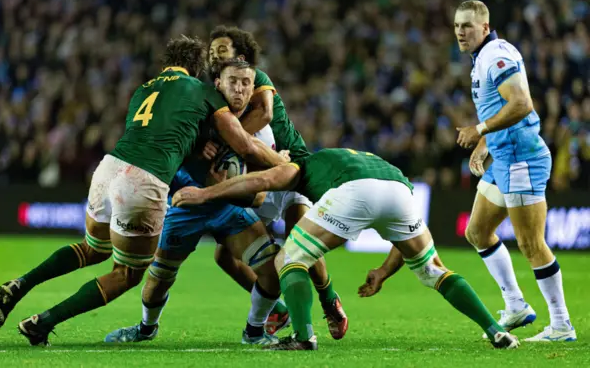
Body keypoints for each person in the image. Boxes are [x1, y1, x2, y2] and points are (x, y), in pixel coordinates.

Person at [0, 37, 287, 346]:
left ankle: (23, 283)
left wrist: (197, 145)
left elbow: (165, 133)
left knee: (92, 249)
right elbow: (244, 144)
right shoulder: (202, 91)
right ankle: (43, 322)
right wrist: (284, 164)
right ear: (197, 70)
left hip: (109, 168)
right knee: (127, 273)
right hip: (143, 181)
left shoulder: (144, 90)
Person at [172, 148, 520, 351]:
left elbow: (261, 181)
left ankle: (303, 336)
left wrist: (203, 194)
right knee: (433, 271)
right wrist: (383, 272)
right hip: (400, 191)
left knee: (288, 259)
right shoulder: (363, 157)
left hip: (355, 192)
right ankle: (495, 330)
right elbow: (401, 243)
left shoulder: (301, 166)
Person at [104, 59, 283, 346]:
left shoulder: (262, 133)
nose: (238, 89)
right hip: (186, 206)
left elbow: (260, 194)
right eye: (232, 81)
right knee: (157, 280)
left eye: (245, 83)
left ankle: (254, 331)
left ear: (253, 89)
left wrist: (218, 189)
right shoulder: (194, 112)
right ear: (218, 84)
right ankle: (146, 328)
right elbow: (167, 159)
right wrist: (196, 154)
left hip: (230, 208)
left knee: (271, 272)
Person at [206, 25, 346, 339]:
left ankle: (328, 299)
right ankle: (276, 307)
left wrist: (226, 138)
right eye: (212, 51)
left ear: (240, 56)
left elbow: (265, 116)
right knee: (223, 256)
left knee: (299, 243)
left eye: (222, 50)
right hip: (259, 177)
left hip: (290, 165)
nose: (215, 55)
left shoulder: (253, 80)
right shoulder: (213, 92)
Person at [454, 0, 576, 342]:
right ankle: (516, 306)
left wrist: (478, 131)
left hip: (521, 158)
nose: (460, 32)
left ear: (484, 26)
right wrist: (485, 145)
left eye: (467, 25)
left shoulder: (495, 55)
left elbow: (522, 104)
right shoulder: (482, 58)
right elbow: (499, 106)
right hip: (504, 157)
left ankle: (562, 324)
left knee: (531, 244)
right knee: (477, 231)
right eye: (456, 26)